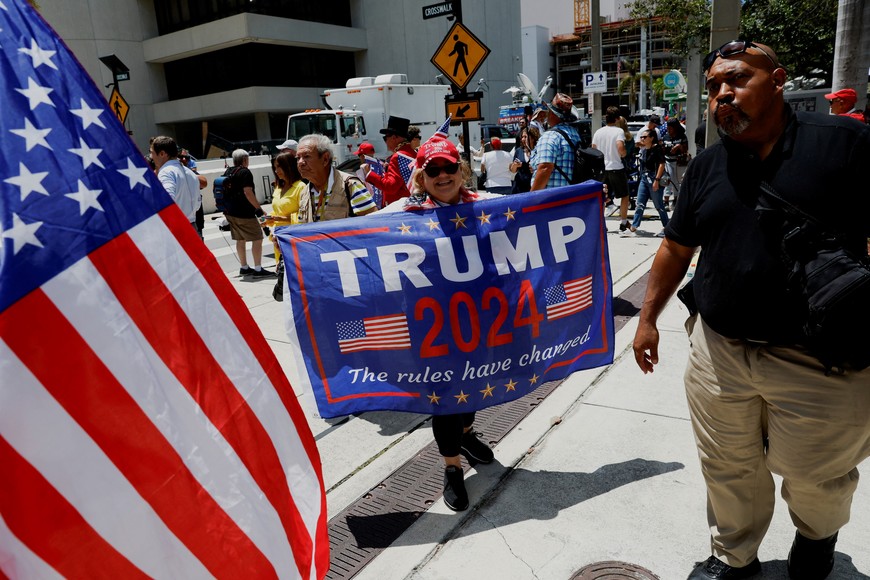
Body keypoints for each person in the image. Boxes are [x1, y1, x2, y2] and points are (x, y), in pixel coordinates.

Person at [632, 40, 870, 580]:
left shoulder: (848, 144)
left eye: (736, 79)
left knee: (818, 475)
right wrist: (647, 319)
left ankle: (815, 540)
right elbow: (676, 245)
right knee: (728, 467)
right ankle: (733, 557)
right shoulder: (708, 165)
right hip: (719, 350)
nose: (722, 94)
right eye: (714, 86)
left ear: (778, 79)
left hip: (822, 358)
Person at [380, 136, 496, 512]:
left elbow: (540, 211)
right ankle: (451, 468)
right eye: (434, 170)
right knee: (444, 400)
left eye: (450, 168)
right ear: (421, 176)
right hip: (429, 329)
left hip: (477, 322)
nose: (443, 176)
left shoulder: (486, 205)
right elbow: (351, 235)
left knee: (474, 388)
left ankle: (465, 434)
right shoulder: (403, 211)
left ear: (461, 170)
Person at [295, 134, 378, 223]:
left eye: (306, 156)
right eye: (298, 158)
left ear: (325, 159)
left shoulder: (350, 186)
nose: (300, 163)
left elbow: (373, 224)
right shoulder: (304, 193)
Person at [223, 148, 275, 278]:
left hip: (230, 212)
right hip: (244, 213)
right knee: (257, 238)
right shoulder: (245, 172)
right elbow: (248, 192)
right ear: (245, 159)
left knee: (241, 239)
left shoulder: (228, 171)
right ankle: (258, 269)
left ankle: (244, 267)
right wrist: (259, 208)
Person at [149, 136, 201, 234]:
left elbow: (166, 201)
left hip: (176, 230)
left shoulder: (166, 172)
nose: (151, 157)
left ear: (162, 154)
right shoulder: (190, 173)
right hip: (192, 226)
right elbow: (197, 204)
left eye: (152, 152)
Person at [529, 93, 581, 191]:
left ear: (553, 114)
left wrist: (532, 197)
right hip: (570, 193)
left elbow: (545, 167)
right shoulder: (574, 134)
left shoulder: (550, 136)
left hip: (551, 197)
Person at [361, 116, 416, 206]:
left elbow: (391, 187)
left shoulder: (398, 157)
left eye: (385, 138)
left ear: (394, 137)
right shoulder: (412, 153)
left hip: (400, 208)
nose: (385, 141)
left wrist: (369, 174)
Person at [591, 106, 630, 232]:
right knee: (624, 195)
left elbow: (593, 148)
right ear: (617, 118)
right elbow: (620, 146)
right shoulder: (618, 131)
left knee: (602, 196)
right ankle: (623, 222)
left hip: (602, 168)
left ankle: (602, 223)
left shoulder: (598, 132)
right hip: (615, 166)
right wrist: (623, 154)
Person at [263, 150, 304, 265]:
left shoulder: (301, 187)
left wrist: (283, 219)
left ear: (289, 167)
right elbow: (278, 211)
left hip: (294, 238)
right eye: (275, 167)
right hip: (278, 237)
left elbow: (305, 216)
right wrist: (268, 219)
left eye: (280, 167)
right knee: (282, 272)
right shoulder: (278, 187)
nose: (276, 171)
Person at [627, 128, 667, 236]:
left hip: (654, 178)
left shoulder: (657, 149)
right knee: (639, 204)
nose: (642, 139)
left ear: (652, 138)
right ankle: (634, 226)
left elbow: (662, 164)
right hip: (644, 179)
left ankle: (666, 227)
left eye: (645, 137)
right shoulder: (644, 149)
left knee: (659, 206)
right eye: (641, 137)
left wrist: (657, 180)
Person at [179, 148, 207, 239]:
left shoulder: (191, 173)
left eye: (186, 158)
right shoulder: (172, 174)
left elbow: (204, 183)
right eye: (181, 157)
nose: (183, 159)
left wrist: (189, 175)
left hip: (196, 218)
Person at [661, 118, 688, 210]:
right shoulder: (666, 137)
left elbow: (686, 150)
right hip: (668, 161)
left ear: (675, 128)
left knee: (676, 181)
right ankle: (666, 201)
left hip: (678, 162)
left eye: (670, 129)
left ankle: (676, 199)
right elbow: (662, 150)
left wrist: (679, 147)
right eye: (667, 129)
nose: (669, 131)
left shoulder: (682, 137)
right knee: (667, 180)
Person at [509, 126, 539, 194]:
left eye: (525, 137)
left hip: (532, 186)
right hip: (518, 187)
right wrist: (515, 165)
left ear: (533, 138)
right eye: (522, 137)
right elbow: (513, 171)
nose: (523, 139)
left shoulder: (538, 151)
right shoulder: (519, 151)